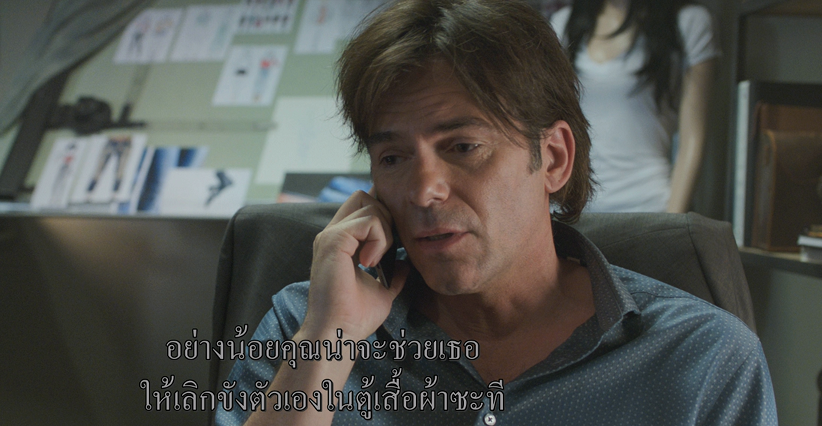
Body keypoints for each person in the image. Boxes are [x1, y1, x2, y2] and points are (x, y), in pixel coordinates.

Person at [216, 0, 776, 424]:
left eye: (463, 147)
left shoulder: (703, 360)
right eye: (392, 157)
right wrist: (327, 343)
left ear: (553, 158)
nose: (423, 192)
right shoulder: (306, 323)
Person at [550, 0, 719, 213]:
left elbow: (693, 139)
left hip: (647, 207)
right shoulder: (564, 23)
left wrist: (671, 222)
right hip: (571, 208)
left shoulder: (689, 22)